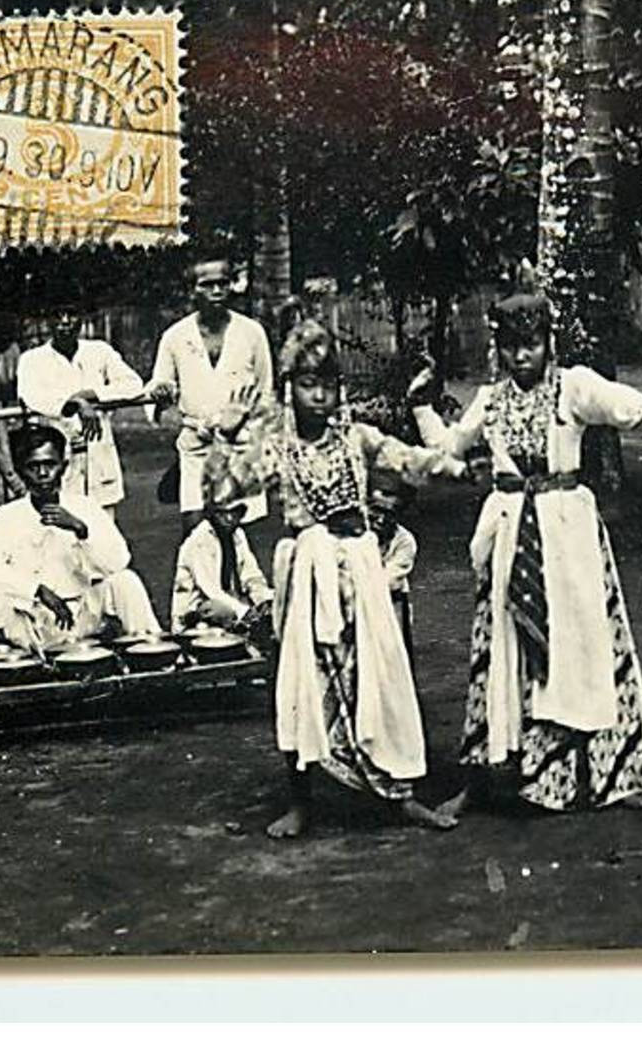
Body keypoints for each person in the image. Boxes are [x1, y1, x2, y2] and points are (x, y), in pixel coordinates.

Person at [408, 293, 642, 816]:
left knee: (583, 647)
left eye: (532, 344)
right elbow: (450, 449)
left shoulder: (572, 386)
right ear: (499, 348)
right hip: (510, 531)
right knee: (503, 648)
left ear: (549, 342)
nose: (522, 356)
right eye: (511, 346)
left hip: (566, 531)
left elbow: (628, 407)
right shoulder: (492, 399)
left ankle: (604, 776)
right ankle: (481, 781)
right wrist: (420, 405)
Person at [230, 320, 466, 839]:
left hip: (360, 571)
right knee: (303, 682)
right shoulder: (276, 441)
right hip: (306, 573)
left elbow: (402, 457)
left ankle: (400, 795)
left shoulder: (354, 436)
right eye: (308, 382)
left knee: (377, 676)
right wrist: (235, 430)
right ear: (288, 386)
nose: (320, 394)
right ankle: (301, 802)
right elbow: (227, 481)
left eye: (329, 383)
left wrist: (450, 465)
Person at [0, 423, 161, 658]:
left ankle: (153, 654)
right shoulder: (3, 518)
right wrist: (37, 590)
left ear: (64, 466)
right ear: (21, 471)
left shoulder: (85, 508)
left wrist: (81, 530)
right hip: (31, 621)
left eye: (49, 465)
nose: (43, 475)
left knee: (126, 581)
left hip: (82, 616)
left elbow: (118, 561)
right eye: (34, 467)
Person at [145, 256, 274, 535]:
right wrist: (161, 394)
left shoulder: (252, 333)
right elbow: (158, 386)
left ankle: (241, 580)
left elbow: (265, 392)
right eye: (207, 285)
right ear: (192, 289)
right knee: (197, 532)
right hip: (196, 444)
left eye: (222, 284)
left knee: (240, 535)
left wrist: (250, 431)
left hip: (240, 446)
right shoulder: (175, 337)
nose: (216, 291)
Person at [17, 311, 145, 516]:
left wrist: (91, 394)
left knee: (102, 527)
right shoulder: (32, 360)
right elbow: (32, 397)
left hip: (97, 454)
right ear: (47, 320)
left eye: (72, 314)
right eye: (57, 315)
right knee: (58, 526)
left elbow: (133, 385)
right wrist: (74, 403)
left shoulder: (99, 352)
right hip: (56, 456)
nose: (65, 321)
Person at [170, 449, 274, 638]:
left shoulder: (237, 535)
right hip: (197, 614)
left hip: (232, 605)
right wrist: (246, 614)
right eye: (221, 513)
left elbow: (251, 575)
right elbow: (211, 590)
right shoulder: (199, 541)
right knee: (216, 608)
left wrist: (265, 600)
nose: (227, 519)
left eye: (233, 513)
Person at [367, 469, 419, 658]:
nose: (381, 520)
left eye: (390, 514)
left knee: (393, 657)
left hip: (391, 603)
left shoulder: (404, 541)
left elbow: (390, 580)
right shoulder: (358, 537)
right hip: (359, 603)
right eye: (377, 511)